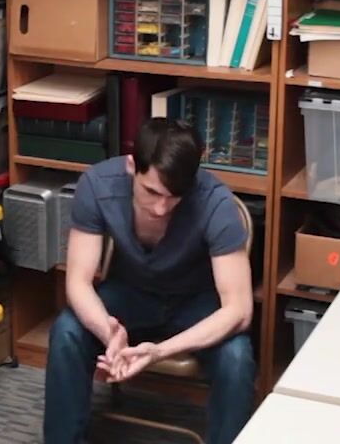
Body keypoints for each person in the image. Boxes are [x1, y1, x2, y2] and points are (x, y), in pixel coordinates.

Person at [43, 118, 255, 444]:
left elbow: (239, 310)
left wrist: (158, 352)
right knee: (67, 331)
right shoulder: (98, 185)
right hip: (130, 294)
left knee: (237, 358)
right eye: (152, 191)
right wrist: (110, 333)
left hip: (196, 302)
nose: (160, 208)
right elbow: (78, 283)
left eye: (174, 197)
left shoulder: (216, 203)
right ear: (132, 166)